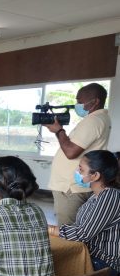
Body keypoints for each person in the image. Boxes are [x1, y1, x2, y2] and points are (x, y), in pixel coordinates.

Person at [49, 150, 120, 276]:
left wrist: (50, 229)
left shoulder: (110, 196)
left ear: (95, 175)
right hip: (88, 253)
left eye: (81, 169)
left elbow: (83, 233)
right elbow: (80, 228)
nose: (77, 172)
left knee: (51, 264)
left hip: (104, 262)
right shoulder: (96, 196)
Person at [46, 83, 111, 225]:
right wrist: (58, 131)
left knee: (68, 229)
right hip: (75, 185)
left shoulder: (93, 121)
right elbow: (71, 146)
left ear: (95, 101)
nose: (77, 105)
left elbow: (71, 152)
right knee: (77, 226)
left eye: (80, 101)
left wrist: (59, 130)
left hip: (71, 188)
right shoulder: (100, 119)